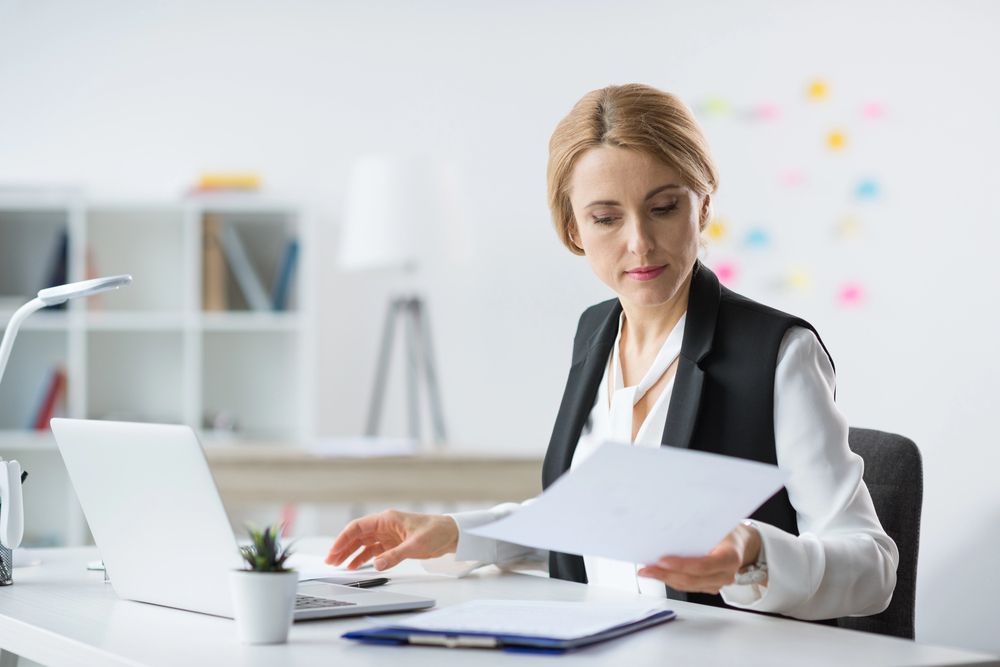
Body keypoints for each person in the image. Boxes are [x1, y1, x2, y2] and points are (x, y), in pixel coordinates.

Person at [326, 83, 898, 621]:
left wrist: (755, 554)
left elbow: (873, 565)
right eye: (605, 218)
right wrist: (455, 532)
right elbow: (593, 522)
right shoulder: (595, 335)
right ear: (573, 229)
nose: (639, 243)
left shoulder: (777, 354)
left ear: (703, 207)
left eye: (665, 207)